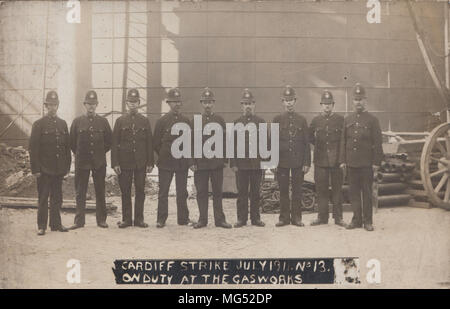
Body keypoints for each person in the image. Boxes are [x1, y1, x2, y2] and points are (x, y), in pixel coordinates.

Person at [339, 83, 383, 231]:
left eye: (361, 99)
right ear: (353, 101)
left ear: (365, 100)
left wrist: (376, 162)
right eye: (356, 99)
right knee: (354, 193)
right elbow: (343, 141)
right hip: (351, 163)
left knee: (367, 193)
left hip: (366, 163)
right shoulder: (347, 119)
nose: (358, 102)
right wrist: (343, 160)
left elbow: (378, 143)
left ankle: (368, 221)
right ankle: (356, 220)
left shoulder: (372, 120)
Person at [29, 90, 71, 235]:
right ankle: (41, 226)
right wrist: (36, 169)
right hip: (44, 169)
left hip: (58, 169)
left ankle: (56, 224)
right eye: (50, 105)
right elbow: (33, 149)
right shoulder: (38, 124)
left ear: (58, 106)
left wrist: (66, 167)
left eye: (55, 105)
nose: (52, 108)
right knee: (43, 198)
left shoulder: (63, 124)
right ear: (46, 106)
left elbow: (66, 147)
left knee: (57, 198)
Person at [189, 87, 232, 229]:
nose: (207, 105)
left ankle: (220, 220)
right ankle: (202, 220)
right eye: (205, 102)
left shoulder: (219, 120)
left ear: (213, 103)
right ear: (201, 103)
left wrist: (225, 160)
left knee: (217, 192)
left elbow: (225, 140)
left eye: (210, 102)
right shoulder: (196, 121)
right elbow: (190, 142)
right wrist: (192, 162)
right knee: (201, 192)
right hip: (200, 164)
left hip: (216, 163)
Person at [111, 88, 154, 228]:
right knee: (125, 190)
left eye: (135, 102)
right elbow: (114, 143)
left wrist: (150, 162)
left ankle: (139, 219)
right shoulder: (120, 121)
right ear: (126, 103)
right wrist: (115, 163)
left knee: (140, 190)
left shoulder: (144, 121)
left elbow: (149, 143)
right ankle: (126, 219)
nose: (133, 104)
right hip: (124, 162)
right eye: (130, 102)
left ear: (139, 103)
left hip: (140, 162)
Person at [69, 90, 112, 229]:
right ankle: (79, 221)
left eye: (94, 104)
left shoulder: (103, 122)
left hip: (99, 162)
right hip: (82, 162)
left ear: (97, 105)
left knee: (100, 190)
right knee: (80, 192)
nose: (91, 106)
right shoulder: (77, 122)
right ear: (84, 105)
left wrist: (99, 153)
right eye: (89, 104)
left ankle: (101, 220)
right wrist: (81, 154)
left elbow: (109, 142)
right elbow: (72, 143)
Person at [272, 85, 311, 227]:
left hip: (298, 161)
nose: (289, 103)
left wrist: (306, 162)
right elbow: (273, 142)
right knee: (282, 190)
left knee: (297, 191)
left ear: (295, 101)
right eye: (286, 100)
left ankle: (296, 218)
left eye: (291, 100)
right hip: (282, 161)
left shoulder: (302, 120)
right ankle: (283, 218)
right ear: (282, 101)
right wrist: (273, 162)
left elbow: (307, 143)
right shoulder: (277, 119)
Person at [153, 88, 192, 228]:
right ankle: (161, 219)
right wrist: (164, 154)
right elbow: (156, 143)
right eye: (173, 102)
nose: (176, 104)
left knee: (182, 192)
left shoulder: (186, 121)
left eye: (178, 102)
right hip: (166, 162)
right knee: (163, 192)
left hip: (181, 162)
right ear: (168, 103)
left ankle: (183, 218)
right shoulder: (162, 121)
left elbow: (189, 142)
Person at [309, 90, 346, 227]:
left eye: (329, 104)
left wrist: (342, 159)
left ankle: (338, 218)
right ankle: (322, 217)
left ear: (333, 105)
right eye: (324, 104)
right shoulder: (316, 120)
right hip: (320, 160)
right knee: (321, 190)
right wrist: (318, 147)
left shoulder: (340, 120)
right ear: (320, 105)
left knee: (337, 190)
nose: (327, 106)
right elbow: (309, 137)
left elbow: (344, 140)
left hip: (336, 161)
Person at [230, 88, 266, 228]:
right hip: (241, 165)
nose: (248, 106)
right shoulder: (236, 123)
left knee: (256, 193)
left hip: (256, 164)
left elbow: (265, 144)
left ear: (254, 104)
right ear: (242, 106)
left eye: (250, 103)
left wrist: (265, 162)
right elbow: (232, 144)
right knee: (242, 193)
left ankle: (256, 218)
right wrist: (233, 163)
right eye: (245, 103)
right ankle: (241, 219)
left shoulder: (260, 122)